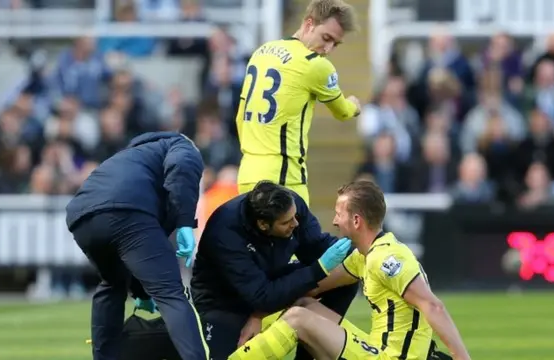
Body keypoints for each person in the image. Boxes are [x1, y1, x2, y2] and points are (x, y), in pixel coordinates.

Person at [230, 181, 471, 360]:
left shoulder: (386, 258)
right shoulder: (365, 255)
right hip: (377, 350)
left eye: (338, 214)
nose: (334, 221)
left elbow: (433, 305)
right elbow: (314, 286)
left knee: (297, 320)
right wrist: (258, 314)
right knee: (305, 305)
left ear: (356, 220)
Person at [66, 131, 209, 360]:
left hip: (81, 217)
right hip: (125, 210)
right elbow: (182, 166)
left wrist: (140, 290)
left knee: (112, 284)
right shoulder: (181, 144)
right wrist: (184, 223)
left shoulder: (130, 155)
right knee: (170, 294)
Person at [190, 181, 358, 359]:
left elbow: (315, 247)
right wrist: (318, 269)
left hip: (269, 280)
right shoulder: (225, 232)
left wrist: (359, 250)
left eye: (295, 216)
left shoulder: (291, 205)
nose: (295, 223)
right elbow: (262, 297)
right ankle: (166, 331)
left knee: (345, 276)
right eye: (287, 222)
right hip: (224, 303)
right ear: (263, 225)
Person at [236, 0, 362, 205]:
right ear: (309, 24)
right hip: (284, 179)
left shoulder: (261, 52)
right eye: (326, 38)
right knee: (302, 235)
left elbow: (241, 116)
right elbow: (342, 112)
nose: (328, 49)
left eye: (335, 44)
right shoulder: (315, 65)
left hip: (247, 173)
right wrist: (354, 105)